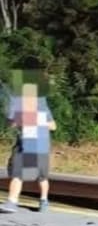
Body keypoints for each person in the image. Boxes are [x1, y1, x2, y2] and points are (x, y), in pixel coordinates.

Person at [0, 69, 56, 213]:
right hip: (31, 142)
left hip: (36, 142)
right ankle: (19, 202)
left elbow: (52, 125)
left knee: (37, 175)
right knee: (26, 173)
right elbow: (11, 123)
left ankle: (39, 200)